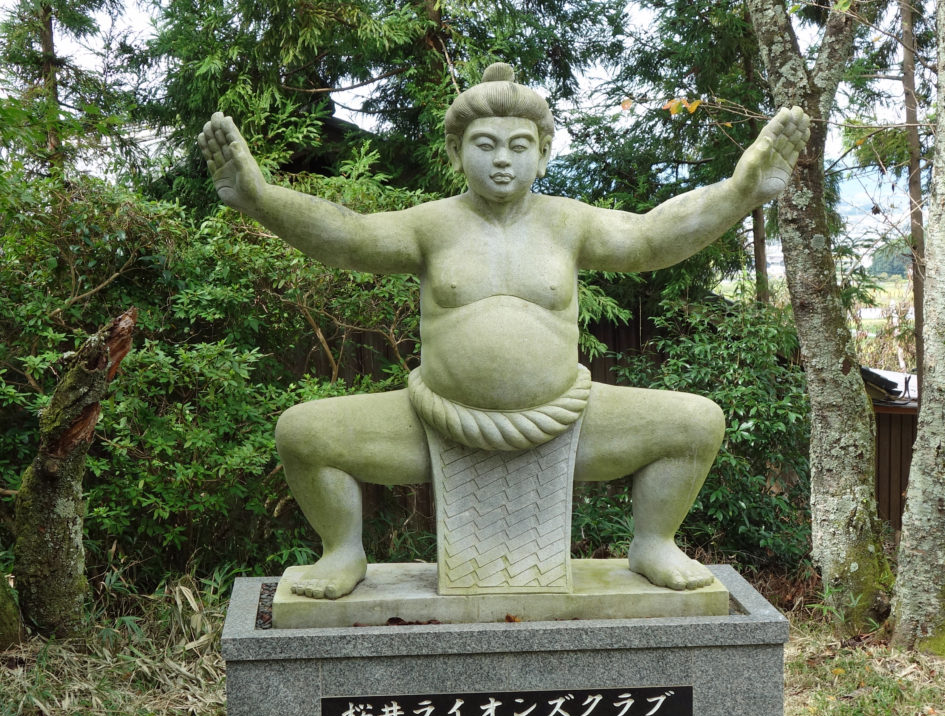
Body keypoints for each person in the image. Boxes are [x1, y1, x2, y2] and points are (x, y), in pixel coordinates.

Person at [199, 62, 810, 599]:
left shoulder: (568, 222)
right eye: (484, 143)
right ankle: (343, 550)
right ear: (456, 151)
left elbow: (651, 238)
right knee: (303, 434)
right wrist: (260, 199)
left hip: (565, 420)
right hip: (437, 421)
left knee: (696, 422)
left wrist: (740, 192)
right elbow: (350, 237)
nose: (501, 159)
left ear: (543, 153)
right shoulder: (432, 225)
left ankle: (653, 542)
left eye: (519, 145)